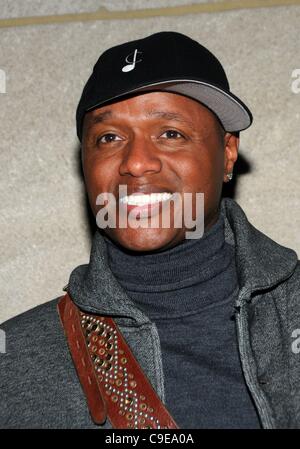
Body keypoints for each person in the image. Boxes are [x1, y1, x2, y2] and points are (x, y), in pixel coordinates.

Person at [1, 31, 300, 430]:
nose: (136, 162)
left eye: (170, 133)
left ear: (227, 152)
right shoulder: (15, 358)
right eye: (109, 138)